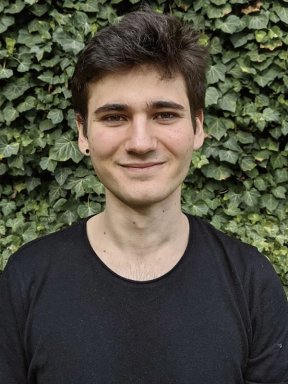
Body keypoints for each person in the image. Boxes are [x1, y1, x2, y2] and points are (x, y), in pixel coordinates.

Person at [0, 7, 287, 384]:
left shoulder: (252, 284)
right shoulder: (25, 280)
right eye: (114, 117)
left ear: (198, 128)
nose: (140, 143)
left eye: (165, 115)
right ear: (82, 134)